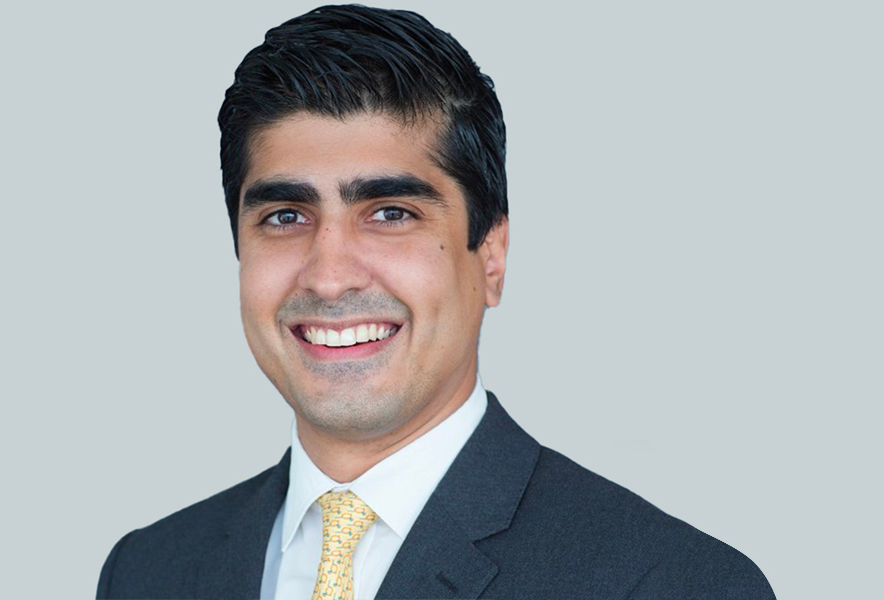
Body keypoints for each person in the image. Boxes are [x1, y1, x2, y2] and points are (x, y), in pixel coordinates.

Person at [97, 5, 775, 599]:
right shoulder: (148, 572)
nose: (328, 278)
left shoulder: (670, 583)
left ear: (492, 257)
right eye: (285, 216)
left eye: (391, 213)